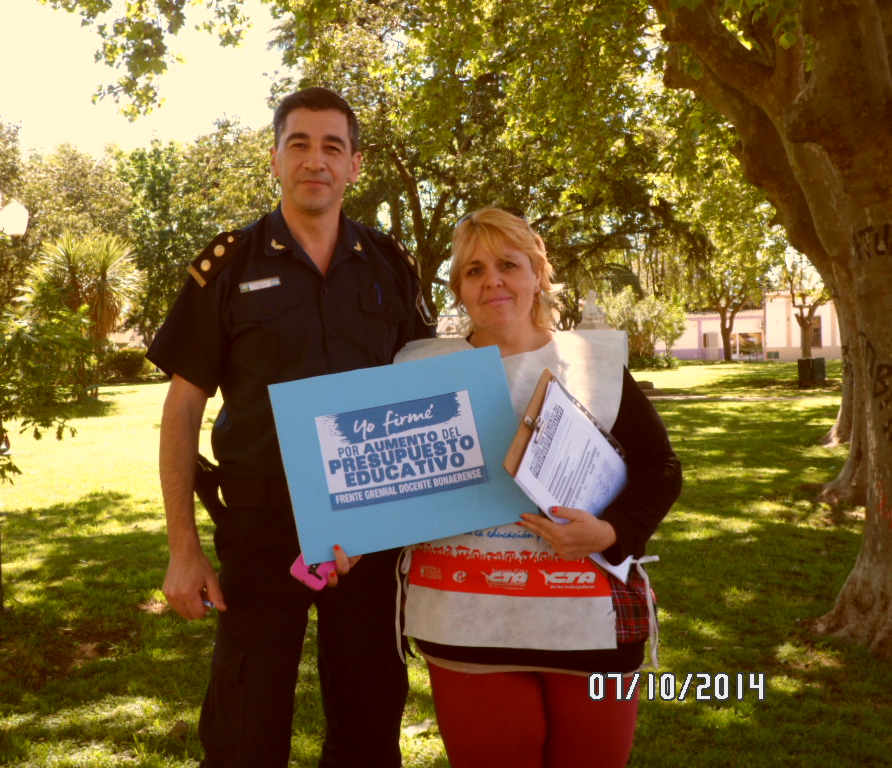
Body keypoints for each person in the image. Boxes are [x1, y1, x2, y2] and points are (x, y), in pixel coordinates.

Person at [146, 87, 434, 768]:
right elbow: (182, 409)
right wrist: (183, 548)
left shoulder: (389, 265)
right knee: (244, 733)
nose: (316, 160)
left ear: (355, 165)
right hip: (261, 528)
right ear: (275, 159)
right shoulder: (229, 266)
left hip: (369, 531)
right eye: (298, 144)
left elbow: (423, 390)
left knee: (368, 729)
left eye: (333, 146)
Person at [395, 208, 682, 768]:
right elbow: (384, 482)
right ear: (459, 289)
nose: (493, 281)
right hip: (467, 626)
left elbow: (661, 468)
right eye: (474, 270)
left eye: (508, 265)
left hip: (590, 624)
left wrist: (610, 531)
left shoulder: (593, 363)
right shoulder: (420, 369)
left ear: (537, 275)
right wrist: (345, 532)